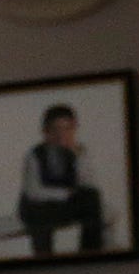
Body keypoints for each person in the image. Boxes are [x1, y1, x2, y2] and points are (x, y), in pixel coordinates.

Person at [18, 101, 112, 257]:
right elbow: (33, 191)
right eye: (56, 129)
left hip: (64, 206)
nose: (61, 135)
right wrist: (66, 194)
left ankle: (89, 254)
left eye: (67, 129)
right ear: (45, 131)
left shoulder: (78, 152)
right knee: (40, 222)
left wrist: (78, 156)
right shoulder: (34, 155)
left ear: (74, 129)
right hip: (39, 207)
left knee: (92, 198)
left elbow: (89, 185)